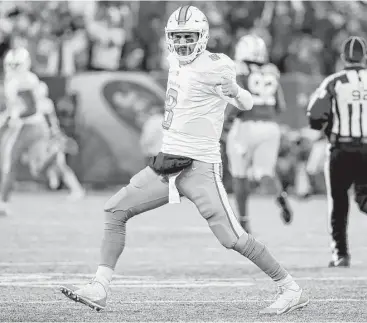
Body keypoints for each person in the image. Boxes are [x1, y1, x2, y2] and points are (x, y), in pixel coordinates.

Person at [60, 6, 309, 314]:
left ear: (202, 37)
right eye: (177, 37)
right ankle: (99, 287)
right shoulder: (174, 62)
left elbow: (245, 101)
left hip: (199, 166)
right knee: (115, 210)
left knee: (233, 238)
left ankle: (290, 288)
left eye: (189, 37)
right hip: (167, 164)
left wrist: (235, 90)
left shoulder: (217, 65)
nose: (182, 43)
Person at [307, 36, 367, 267]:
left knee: (339, 203)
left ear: (343, 58)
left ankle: (341, 254)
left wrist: (327, 126)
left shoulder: (334, 81)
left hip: (341, 148)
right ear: (363, 57)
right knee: (364, 199)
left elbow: (314, 115)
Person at [225, 34, 293, 233]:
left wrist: (225, 122)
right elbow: (280, 105)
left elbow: (239, 100)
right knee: (265, 174)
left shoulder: (240, 69)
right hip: (270, 127)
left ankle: (244, 221)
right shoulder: (272, 71)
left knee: (240, 174)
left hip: (245, 125)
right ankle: (280, 197)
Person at [0, 47, 46, 215]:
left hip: (28, 126)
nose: (12, 67)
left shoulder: (26, 80)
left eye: (16, 64)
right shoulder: (12, 80)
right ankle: (3, 202)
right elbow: (14, 106)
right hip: (26, 125)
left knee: (11, 164)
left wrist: (12, 117)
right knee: (8, 163)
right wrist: (7, 115)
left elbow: (30, 108)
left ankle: (3, 202)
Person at [23, 81, 85, 200]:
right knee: (45, 167)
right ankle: (59, 179)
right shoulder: (44, 103)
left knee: (57, 165)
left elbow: (49, 124)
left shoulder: (42, 104)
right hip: (46, 138)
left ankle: (75, 188)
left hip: (47, 138)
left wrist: (54, 136)